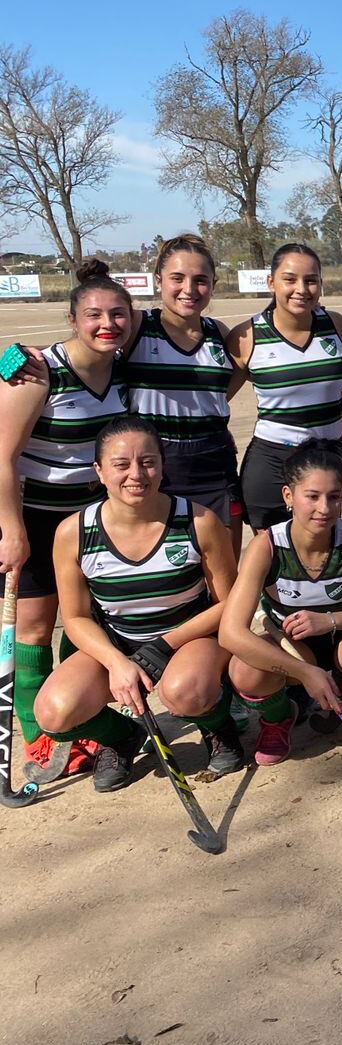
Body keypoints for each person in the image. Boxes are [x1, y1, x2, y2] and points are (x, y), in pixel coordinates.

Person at [38, 416, 242, 790]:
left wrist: (166, 645)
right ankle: (122, 737)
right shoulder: (73, 533)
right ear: (99, 471)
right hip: (119, 642)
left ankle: (219, 725)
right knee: (53, 712)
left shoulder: (198, 521)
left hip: (188, 638)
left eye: (148, 461)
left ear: (162, 466)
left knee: (183, 693)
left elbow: (230, 604)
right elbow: (77, 617)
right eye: (121, 464)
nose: (136, 474)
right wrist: (116, 662)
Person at [0, 261, 132, 777]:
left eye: (117, 314)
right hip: (36, 514)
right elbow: (3, 458)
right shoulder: (37, 372)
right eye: (94, 315)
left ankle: (83, 722)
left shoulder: (124, 367)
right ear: (73, 319)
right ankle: (40, 736)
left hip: (94, 520)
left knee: (84, 622)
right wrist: (11, 529)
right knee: (34, 626)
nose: (107, 324)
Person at [220, 441, 342, 764]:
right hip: (292, 652)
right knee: (243, 669)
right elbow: (230, 633)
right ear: (288, 497)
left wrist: (331, 620)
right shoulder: (266, 546)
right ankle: (279, 717)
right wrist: (305, 672)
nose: (324, 508)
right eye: (312, 496)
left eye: (333, 497)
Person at [228, 243, 342, 541]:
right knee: (282, 568)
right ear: (271, 282)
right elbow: (215, 402)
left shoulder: (334, 324)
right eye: (290, 279)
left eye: (311, 280)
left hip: (332, 457)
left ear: (321, 284)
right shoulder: (247, 337)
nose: (301, 289)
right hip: (273, 465)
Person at [122, 233, 246, 553]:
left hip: (214, 463)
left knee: (224, 571)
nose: (189, 289)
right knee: (160, 565)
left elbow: (224, 389)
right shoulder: (137, 326)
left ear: (213, 284)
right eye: (177, 278)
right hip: (152, 465)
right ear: (158, 280)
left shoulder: (220, 334)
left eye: (200, 280)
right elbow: (82, 352)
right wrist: (22, 357)